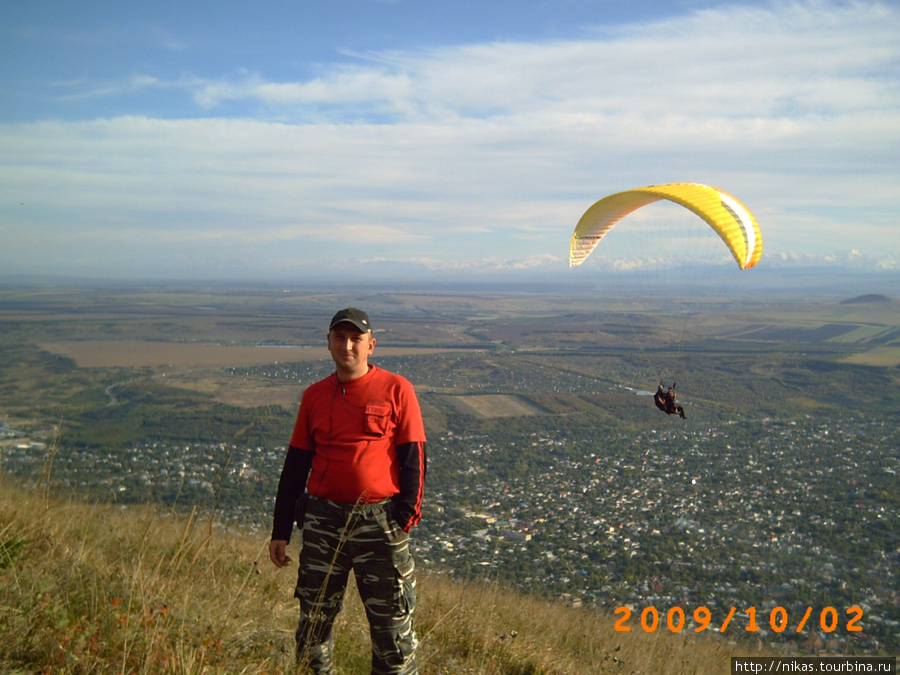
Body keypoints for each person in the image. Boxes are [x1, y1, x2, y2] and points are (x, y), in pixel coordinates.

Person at [269, 308, 427, 675]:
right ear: (328, 343)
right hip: (323, 521)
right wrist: (281, 530)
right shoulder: (314, 397)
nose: (347, 346)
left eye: (356, 339)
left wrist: (403, 519)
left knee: (392, 631)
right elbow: (294, 468)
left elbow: (414, 458)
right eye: (339, 338)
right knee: (314, 624)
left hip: (379, 522)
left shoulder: (396, 389)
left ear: (371, 346)